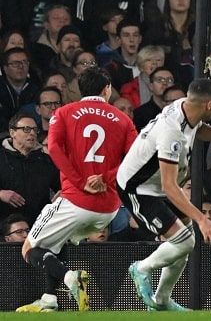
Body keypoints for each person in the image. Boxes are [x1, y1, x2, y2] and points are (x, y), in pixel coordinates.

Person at [116, 78, 211, 311]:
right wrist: (202, 219)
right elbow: (170, 187)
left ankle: (161, 302)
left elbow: (199, 128)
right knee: (185, 240)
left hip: (158, 185)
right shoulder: (171, 133)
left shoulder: (186, 106)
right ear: (209, 105)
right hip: (137, 188)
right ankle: (140, 269)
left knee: (183, 242)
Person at [16, 68, 137, 313]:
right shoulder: (123, 119)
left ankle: (71, 278)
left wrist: (81, 181)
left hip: (76, 200)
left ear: (81, 90)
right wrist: (106, 177)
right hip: (109, 210)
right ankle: (49, 300)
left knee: (29, 249)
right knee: (56, 243)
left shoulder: (63, 113)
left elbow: (55, 149)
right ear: (107, 89)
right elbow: (135, 158)